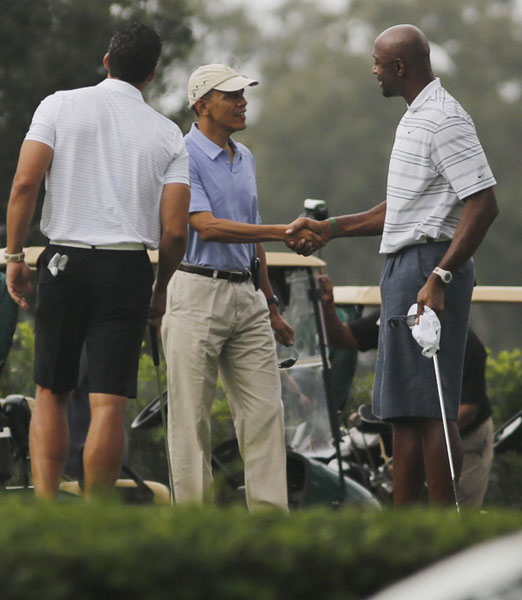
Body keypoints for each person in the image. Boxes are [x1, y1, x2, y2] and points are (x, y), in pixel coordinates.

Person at [287, 24, 498, 507]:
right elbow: (401, 210)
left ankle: (441, 528)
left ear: (400, 67)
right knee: (402, 410)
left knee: (433, 409)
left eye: (378, 62)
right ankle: (401, 530)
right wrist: (332, 228)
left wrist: (439, 276)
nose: (373, 70)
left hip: (429, 268)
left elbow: (483, 204)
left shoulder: (444, 119)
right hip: (405, 267)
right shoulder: (414, 117)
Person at [4, 23, 190, 499]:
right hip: (127, 268)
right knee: (108, 402)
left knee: (51, 391)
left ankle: (47, 507)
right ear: (150, 75)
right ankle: (97, 515)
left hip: (64, 261)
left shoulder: (59, 105)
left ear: (107, 60)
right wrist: (161, 287)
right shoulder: (169, 134)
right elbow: (173, 230)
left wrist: (14, 257)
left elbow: (25, 184)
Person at [161, 64, 317, 511]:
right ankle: (195, 527)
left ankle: (270, 524)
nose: (242, 101)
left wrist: (270, 302)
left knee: (266, 414)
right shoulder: (182, 155)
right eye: (230, 95)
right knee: (191, 420)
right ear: (202, 104)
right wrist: (282, 230)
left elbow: (250, 234)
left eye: (242, 94)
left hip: (246, 297)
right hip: (195, 292)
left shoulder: (244, 156)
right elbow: (206, 227)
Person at [319, 275, 494, 507]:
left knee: (458, 508)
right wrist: (327, 306)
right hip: (421, 431)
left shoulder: (467, 345)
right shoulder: (393, 323)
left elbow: (469, 408)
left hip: (468, 436)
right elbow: (342, 337)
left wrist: (423, 440)